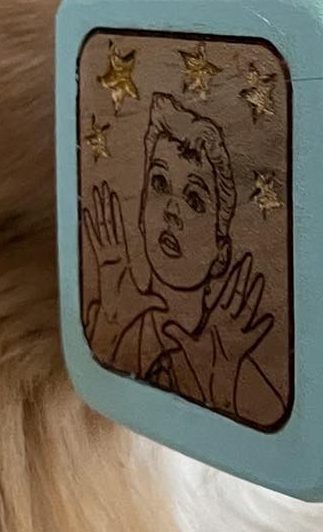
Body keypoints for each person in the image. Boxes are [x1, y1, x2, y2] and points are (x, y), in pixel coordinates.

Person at [82, 92, 283, 425]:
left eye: (194, 199)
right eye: (160, 183)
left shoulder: (247, 380)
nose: (172, 210)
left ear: (222, 252)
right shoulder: (108, 329)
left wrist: (221, 391)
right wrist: (111, 329)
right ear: (141, 209)